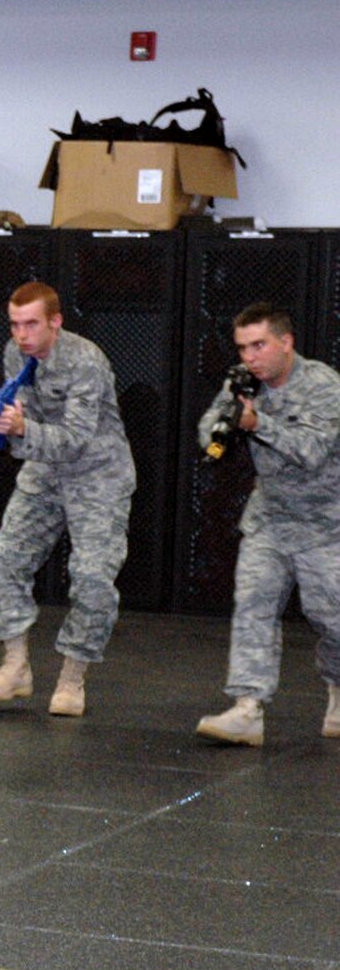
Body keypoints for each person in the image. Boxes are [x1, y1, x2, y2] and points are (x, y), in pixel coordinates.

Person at [0, 280, 135, 716]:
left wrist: (23, 430)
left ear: (56, 322)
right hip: (45, 468)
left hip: (98, 474)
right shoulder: (15, 354)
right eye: (14, 325)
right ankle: (15, 665)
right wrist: (12, 428)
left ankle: (72, 678)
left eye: (31, 324)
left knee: (92, 576)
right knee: (6, 559)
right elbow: (24, 415)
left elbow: (77, 438)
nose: (21, 335)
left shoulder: (86, 361)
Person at [194, 304, 340, 745]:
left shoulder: (324, 385)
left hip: (325, 524)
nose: (251, 357)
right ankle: (247, 708)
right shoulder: (242, 382)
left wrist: (259, 424)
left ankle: (337, 688)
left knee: (331, 618)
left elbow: (311, 450)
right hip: (270, 519)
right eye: (243, 348)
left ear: (286, 342)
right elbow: (208, 431)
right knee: (253, 603)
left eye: (259, 346)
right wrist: (223, 429)